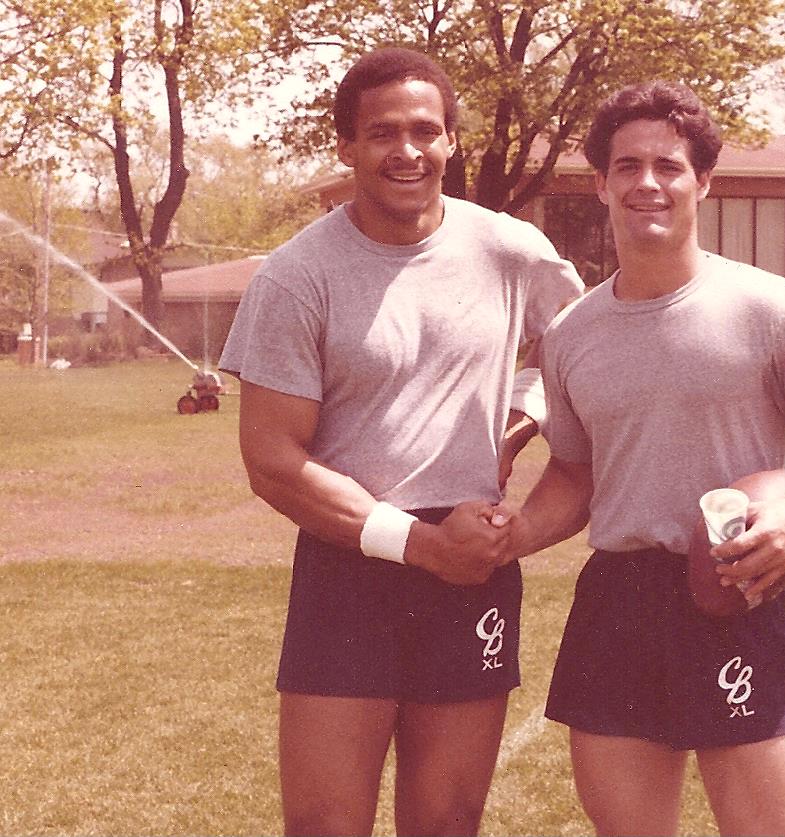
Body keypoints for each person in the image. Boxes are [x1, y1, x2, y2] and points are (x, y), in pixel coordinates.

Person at [507, 81, 785, 836]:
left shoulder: (769, 307)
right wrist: (510, 536)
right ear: (600, 183)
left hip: (734, 588)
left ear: (703, 182)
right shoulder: (571, 333)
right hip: (616, 603)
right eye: (626, 166)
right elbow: (576, 476)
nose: (646, 183)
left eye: (668, 166)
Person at [218, 47, 582, 836]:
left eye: (426, 130)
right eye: (382, 132)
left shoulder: (509, 249)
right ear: (345, 145)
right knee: (323, 824)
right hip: (352, 559)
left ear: (452, 140)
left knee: (447, 821)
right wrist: (418, 544)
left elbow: (580, 357)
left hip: (471, 564)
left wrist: (513, 426)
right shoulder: (294, 277)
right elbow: (273, 462)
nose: (406, 151)